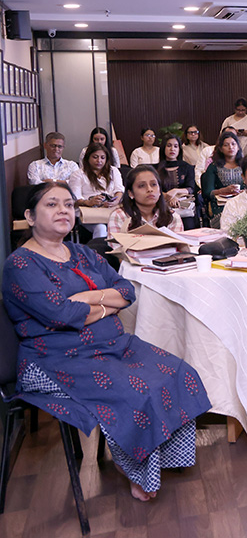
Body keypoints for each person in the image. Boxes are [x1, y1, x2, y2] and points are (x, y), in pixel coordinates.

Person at [2, 182, 211, 501]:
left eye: (69, 205)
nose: (63, 211)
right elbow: (61, 314)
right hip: (56, 358)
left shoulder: (83, 252)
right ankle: (137, 471)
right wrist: (104, 304)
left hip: (112, 346)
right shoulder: (21, 265)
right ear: (30, 216)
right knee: (135, 394)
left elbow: (126, 291)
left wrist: (90, 299)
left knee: (178, 372)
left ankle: (164, 460)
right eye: (52, 204)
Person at [69, 143, 124, 238]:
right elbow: (74, 199)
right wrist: (89, 202)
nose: (99, 161)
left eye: (103, 158)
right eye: (95, 157)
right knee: (101, 228)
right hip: (89, 213)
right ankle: (99, 247)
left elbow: (119, 190)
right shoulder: (78, 174)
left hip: (110, 210)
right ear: (88, 158)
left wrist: (116, 201)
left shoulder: (113, 171)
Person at [108, 165, 184, 234]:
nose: (149, 189)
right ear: (131, 193)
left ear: (160, 191)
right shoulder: (119, 216)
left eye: (153, 184)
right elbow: (116, 244)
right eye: (142, 186)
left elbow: (177, 244)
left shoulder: (172, 217)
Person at [201, 131, 244, 227]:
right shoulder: (213, 167)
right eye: (226, 145)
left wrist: (244, 192)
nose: (230, 147)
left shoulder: (245, 165)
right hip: (220, 205)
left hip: (243, 201)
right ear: (220, 149)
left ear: (238, 147)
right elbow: (207, 193)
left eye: (233, 144)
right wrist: (223, 190)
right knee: (228, 218)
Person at [157, 134, 197, 223]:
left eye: (175, 146)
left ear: (179, 149)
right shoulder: (156, 169)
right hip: (162, 204)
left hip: (183, 205)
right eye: (169, 146)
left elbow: (190, 189)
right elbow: (155, 189)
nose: (172, 149)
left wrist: (175, 191)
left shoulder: (187, 167)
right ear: (163, 148)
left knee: (189, 224)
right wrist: (168, 197)